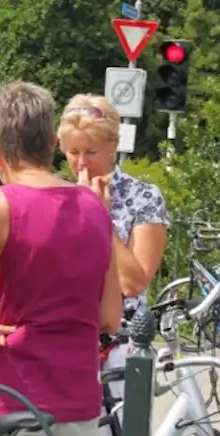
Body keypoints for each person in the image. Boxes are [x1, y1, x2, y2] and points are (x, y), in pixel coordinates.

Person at [0, 81, 122, 436]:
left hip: (3, 401)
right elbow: (110, 316)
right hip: (77, 403)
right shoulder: (95, 207)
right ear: (52, 141)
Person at [58, 94, 171, 314]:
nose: (81, 163)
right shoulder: (56, 194)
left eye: (91, 152)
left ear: (113, 146)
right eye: (73, 152)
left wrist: (99, 216)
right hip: (63, 327)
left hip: (119, 334)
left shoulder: (143, 196)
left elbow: (133, 284)